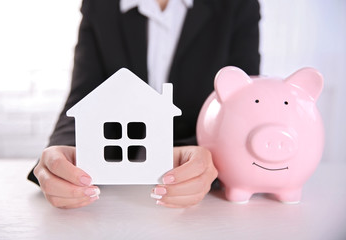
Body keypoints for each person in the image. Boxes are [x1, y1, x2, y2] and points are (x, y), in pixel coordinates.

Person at [28, 0, 260, 209]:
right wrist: (63, 156)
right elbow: (84, 97)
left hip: (198, 192)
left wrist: (205, 159)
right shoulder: (99, 5)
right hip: (115, 180)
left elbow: (240, 104)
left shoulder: (237, 5)